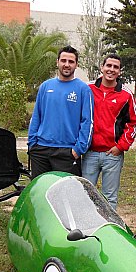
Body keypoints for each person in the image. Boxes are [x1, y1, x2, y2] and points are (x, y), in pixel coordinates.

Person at [83, 54, 136, 210]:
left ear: (120, 71)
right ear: (102, 67)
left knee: (110, 198)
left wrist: (120, 146)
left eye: (116, 67)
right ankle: (85, 229)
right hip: (90, 153)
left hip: (112, 154)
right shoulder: (88, 89)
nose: (111, 70)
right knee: (86, 194)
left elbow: (133, 123)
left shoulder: (126, 95)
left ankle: (109, 230)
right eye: (109, 66)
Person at [28, 46, 93, 178]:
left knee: (66, 196)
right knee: (40, 193)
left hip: (67, 152)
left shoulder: (83, 90)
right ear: (57, 62)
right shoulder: (45, 86)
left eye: (71, 62)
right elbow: (36, 117)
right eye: (63, 61)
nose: (67, 65)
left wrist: (77, 150)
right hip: (41, 149)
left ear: (76, 65)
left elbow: (88, 122)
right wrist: (32, 143)